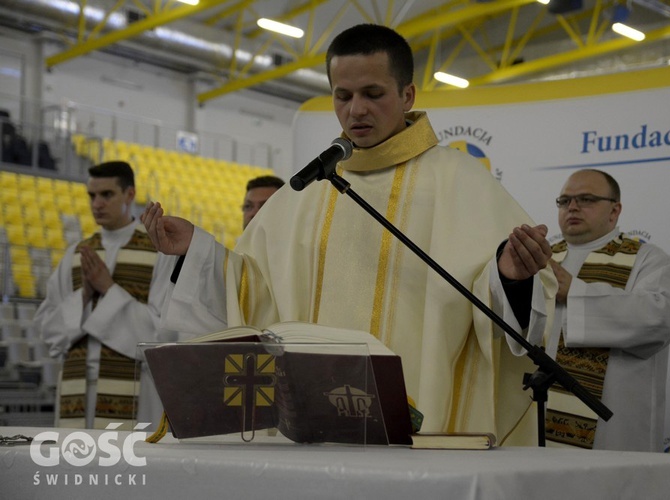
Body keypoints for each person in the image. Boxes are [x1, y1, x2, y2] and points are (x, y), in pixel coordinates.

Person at [142, 24, 557, 444]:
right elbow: (253, 292)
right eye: (343, 96)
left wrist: (510, 278)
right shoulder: (306, 190)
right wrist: (196, 251)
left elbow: (505, 304)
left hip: (423, 425)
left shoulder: (461, 181)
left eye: (373, 94)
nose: (356, 109)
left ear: (407, 96)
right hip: (313, 423)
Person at [34, 161, 181, 430]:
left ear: (130, 194)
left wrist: (109, 289)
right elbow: (47, 330)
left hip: (136, 387)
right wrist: (83, 297)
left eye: (107, 195)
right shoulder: (75, 255)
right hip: (76, 388)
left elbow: (164, 334)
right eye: (92, 195)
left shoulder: (159, 251)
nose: (97, 204)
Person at [545, 169, 670, 451]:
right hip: (538, 417)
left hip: (612, 430)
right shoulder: (542, 258)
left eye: (586, 199)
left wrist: (576, 292)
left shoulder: (647, 259)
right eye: (565, 200)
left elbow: (659, 319)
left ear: (615, 210)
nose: (573, 207)